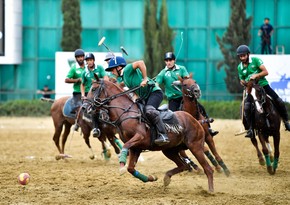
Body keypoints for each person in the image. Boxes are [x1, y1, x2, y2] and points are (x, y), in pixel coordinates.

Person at [105, 56, 169, 145]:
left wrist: (145, 78)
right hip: (144, 97)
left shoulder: (127, 69)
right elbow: (135, 92)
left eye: (112, 69)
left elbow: (141, 63)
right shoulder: (124, 78)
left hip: (154, 93)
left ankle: (163, 135)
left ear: (119, 67)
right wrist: (135, 99)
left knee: (149, 110)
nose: (112, 72)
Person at [155, 52, 219, 137]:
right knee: (172, 117)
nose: (168, 62)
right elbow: (157, 83)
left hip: (184, 97)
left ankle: (209, 128)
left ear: (174, 60)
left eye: (170, 60)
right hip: (173, 100)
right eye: (166, 60)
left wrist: (179, 82)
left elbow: (187, 80)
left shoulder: (181, 68)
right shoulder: (163, 73)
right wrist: (157, 87)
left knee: (200, 108)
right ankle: (176, 136)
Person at [236, 45, 290, 138]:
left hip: (263, 85)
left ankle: (286, 122)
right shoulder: (240, 67)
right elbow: (242, 80)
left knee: (279, 101)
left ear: (248, 55)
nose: (242, 58)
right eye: (240, 56)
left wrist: (256, 75)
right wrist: (243, 82)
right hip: (250, 89)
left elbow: (266, 72)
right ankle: (250, 129)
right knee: (247, 107)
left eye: (244, 55)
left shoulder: (256, 60)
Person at [81, 52, 109, 138]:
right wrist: (83, 95)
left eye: (91, 60)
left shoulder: (99, 68)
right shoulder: (84, 72)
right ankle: (96, 128)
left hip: (101, 92)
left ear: (93, 61)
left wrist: (104, 82)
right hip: (91, 94)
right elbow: (82, 84)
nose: (89, 62)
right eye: (88, 60)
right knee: (93, 109)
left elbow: (105, 77)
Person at [65, 48, 86, 131]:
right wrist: (77, 80)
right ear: (76, 59)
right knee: (78, 107)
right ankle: (77, 123)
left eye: (82, 57)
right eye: (78, 57)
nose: (80, 58)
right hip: (78, 92)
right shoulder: (74, 68)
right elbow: (66, 79)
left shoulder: (88, 67)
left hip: (88, 91)